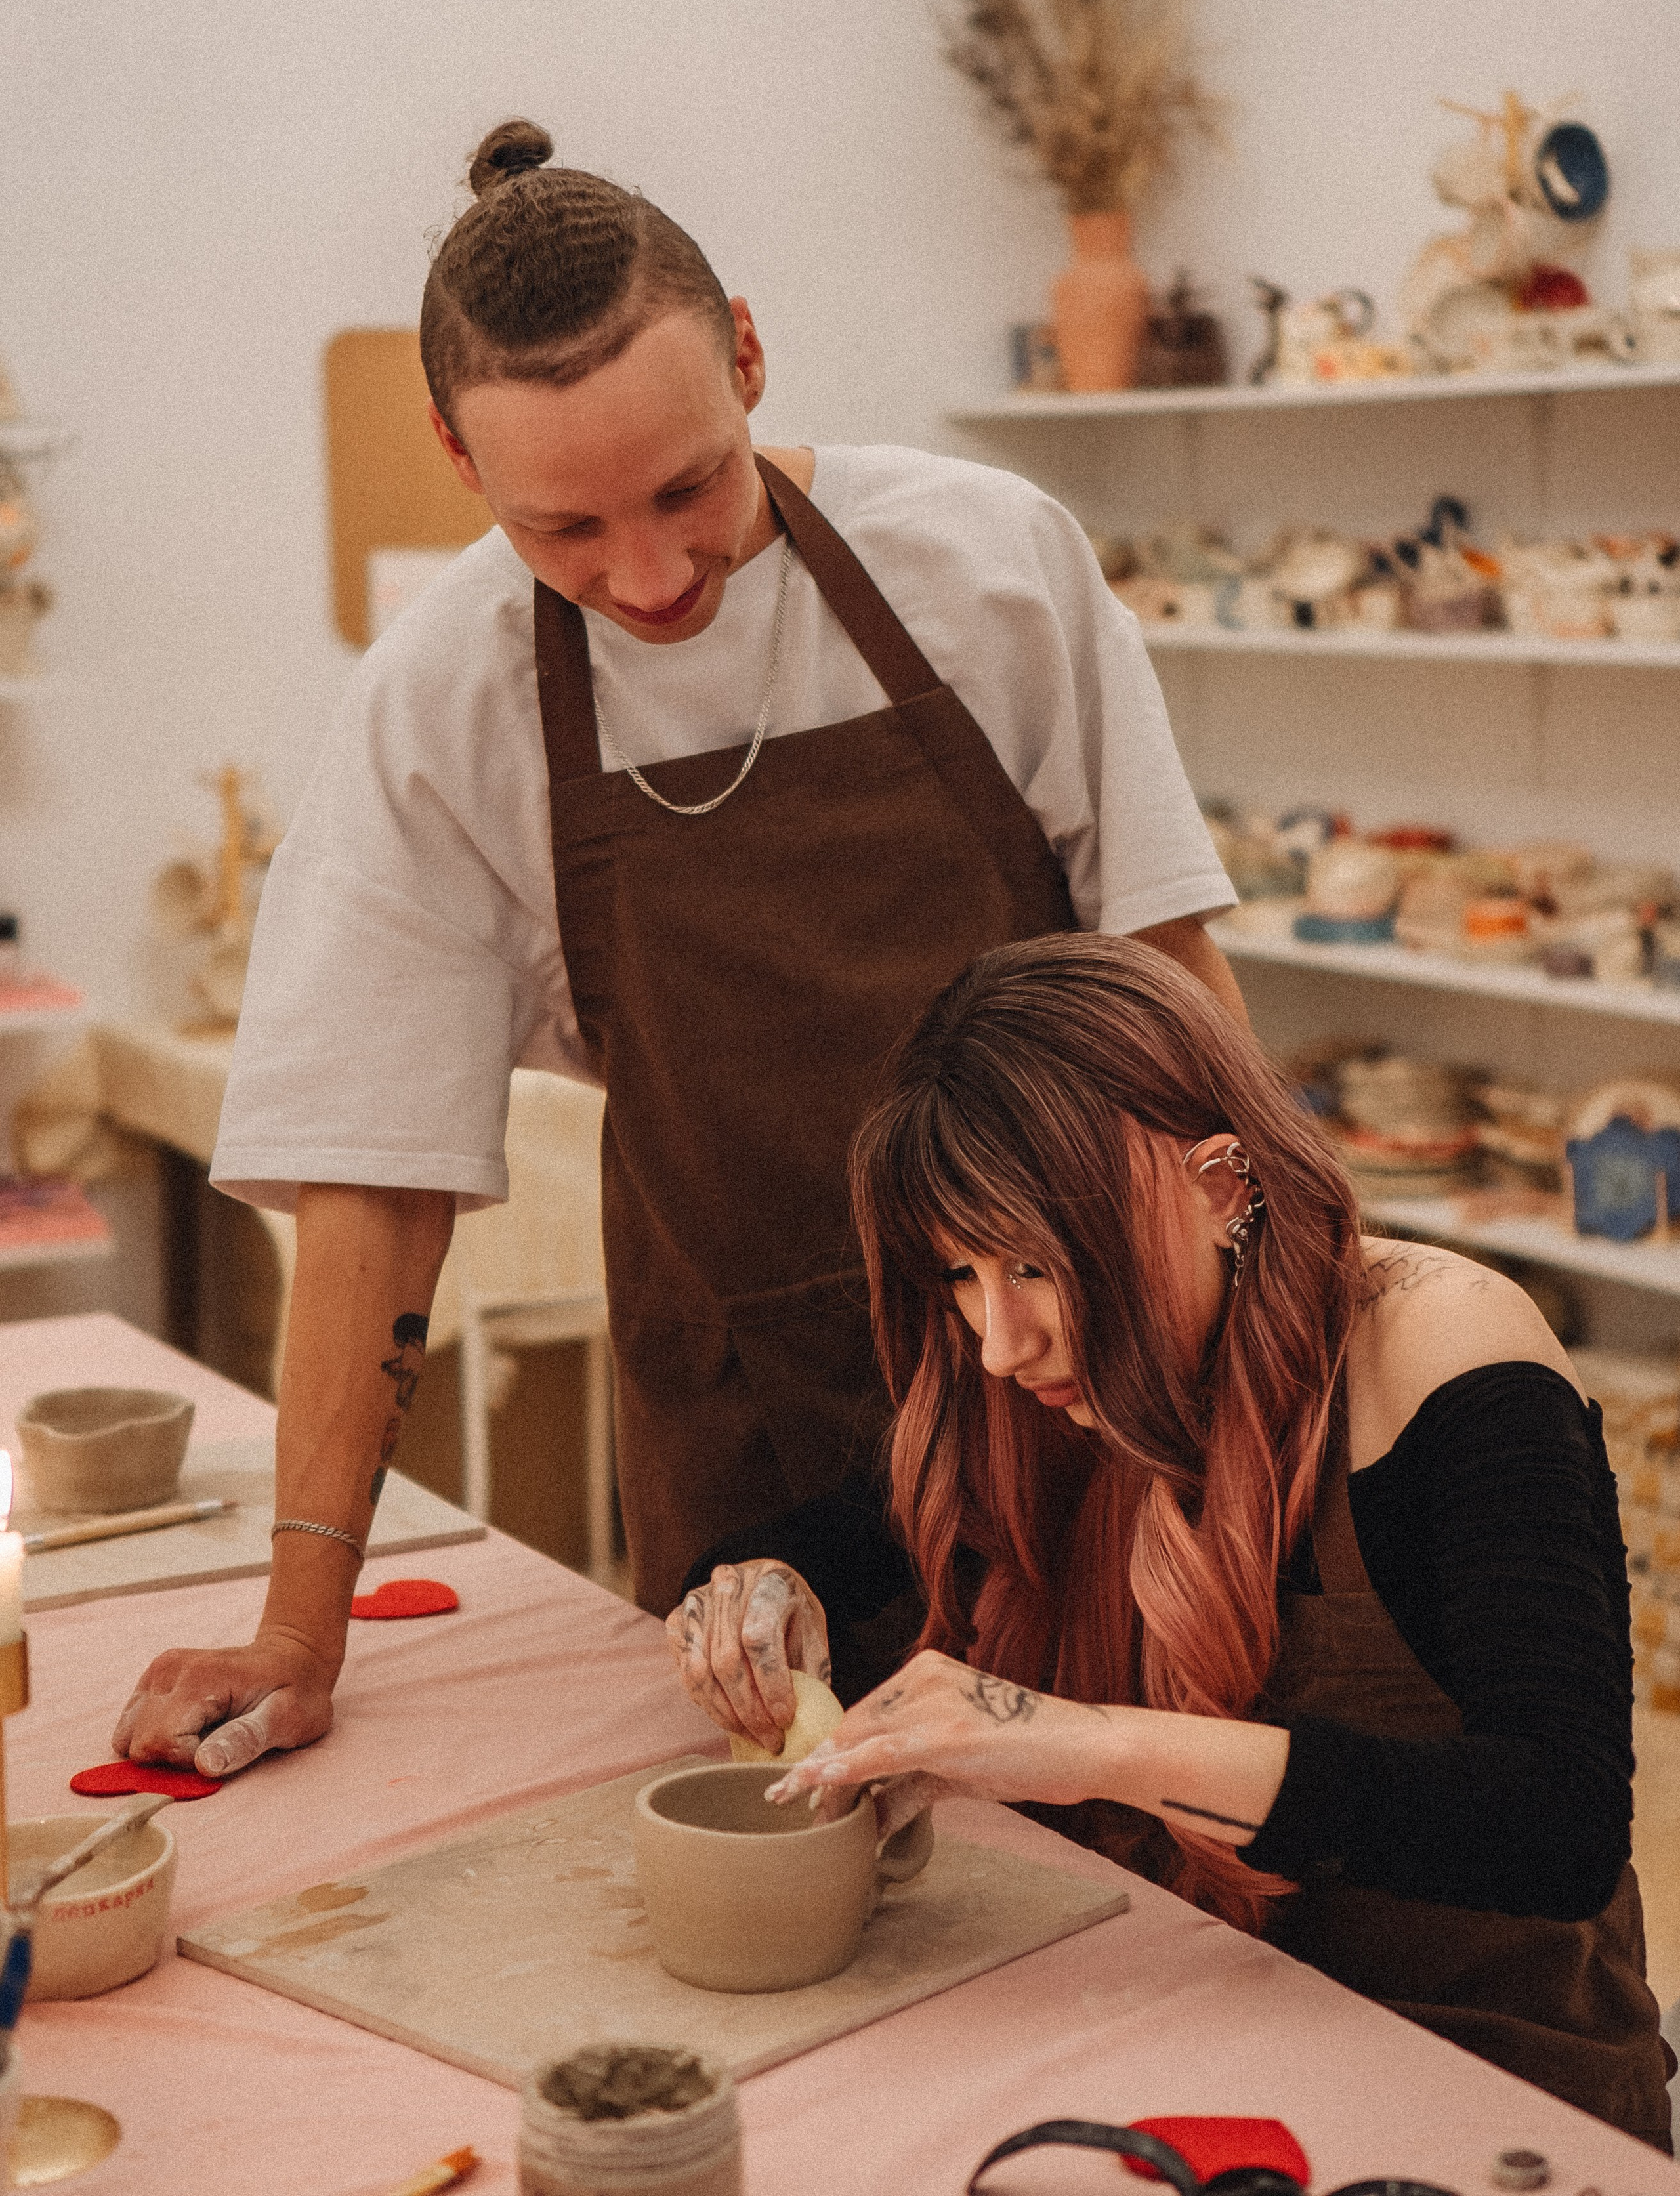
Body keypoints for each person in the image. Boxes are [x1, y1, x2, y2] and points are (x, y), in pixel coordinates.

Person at [114, 121, 1240, 1779]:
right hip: (756, 1440)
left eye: (687, 486)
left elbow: (1171, 989)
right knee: (800, 1863)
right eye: (563, 530)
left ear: (750, 358)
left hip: (1093, 1376)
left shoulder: (988, 568)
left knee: (1151, 1857)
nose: (647, 578)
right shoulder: (445, 710)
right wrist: (299, 1624)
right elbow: (376, 1181)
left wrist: (1291, 1345)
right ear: (454, 453)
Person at [672, 933, 1673, 2147]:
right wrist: (760, 1595)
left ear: (1220, 1186)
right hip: (1180, 2022)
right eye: (960, 1275)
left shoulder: (1439, 1347)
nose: (999, 1342)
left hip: (1478, 2077)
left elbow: (1555, 1825)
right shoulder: (1039, 1385)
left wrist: (1084, 1744)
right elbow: (817, 1546)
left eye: (1037, 1264)